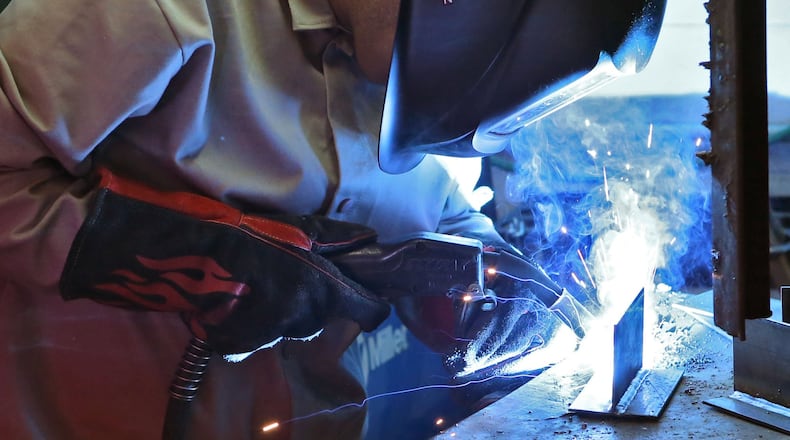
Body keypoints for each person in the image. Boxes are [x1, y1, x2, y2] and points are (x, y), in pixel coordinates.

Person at [0, 0, 665, 438]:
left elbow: (433, 204)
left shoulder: (418, 72)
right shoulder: (165, 9)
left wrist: (475, 278)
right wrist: (175, 253)